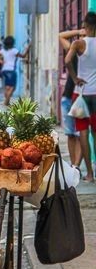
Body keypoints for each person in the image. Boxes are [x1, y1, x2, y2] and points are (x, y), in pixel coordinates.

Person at [65, 11, 96, 182]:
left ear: (85, 25)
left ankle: (89, 174)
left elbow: (68, 60)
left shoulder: (79, 44)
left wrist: (75, 78)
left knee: (83, 133)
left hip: (82, 93)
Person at [59, 29, 83, 170]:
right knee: (70, 134)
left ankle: (77, 166)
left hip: (81, 97)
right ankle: (73, 166)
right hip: (68, 95)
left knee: (80, 134)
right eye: (81, 37)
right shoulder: (72, 50)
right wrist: (79, 30)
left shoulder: (90, 53)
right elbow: (60, 36)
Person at [0, 36, 30, 106]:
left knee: (7, 87)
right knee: (13, 87)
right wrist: (28, 48)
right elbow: (23, 56)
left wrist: (1, 61)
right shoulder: (14, 50)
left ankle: (7, 101)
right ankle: (6, 102)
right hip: (11, 70)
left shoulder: (3, 50)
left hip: (4, 70)